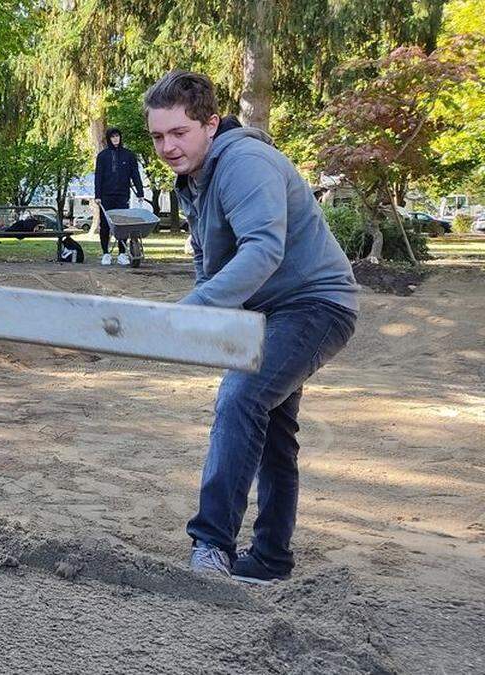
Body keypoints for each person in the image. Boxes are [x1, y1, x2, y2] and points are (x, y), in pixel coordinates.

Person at [143, 70, 358, 583]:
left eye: (179, 133)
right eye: (157, 136)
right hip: (269, 314)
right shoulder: (195, 180)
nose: (168, 146)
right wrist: (211, 319)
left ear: (210, 124)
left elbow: (263, 249)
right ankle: (269, 560)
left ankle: (212, 546)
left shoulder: (244, 162)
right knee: (272, 429)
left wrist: (192, 308)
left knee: (240, 398)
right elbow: (211, 267)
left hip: (315, 305)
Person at [93, 126, 144, 266]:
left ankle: (122, 254)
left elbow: (135, 174)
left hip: (122, 195)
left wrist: (140, 192)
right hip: (105, 196)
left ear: (120, 138)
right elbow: (98, 176)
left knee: (122, 225)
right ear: (109, 139)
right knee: (105, 225)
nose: (115, 139)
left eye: (117, 136)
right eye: (112, 137)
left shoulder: (128, 155)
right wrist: (97, 195)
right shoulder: (102, 156)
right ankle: (106, 254)